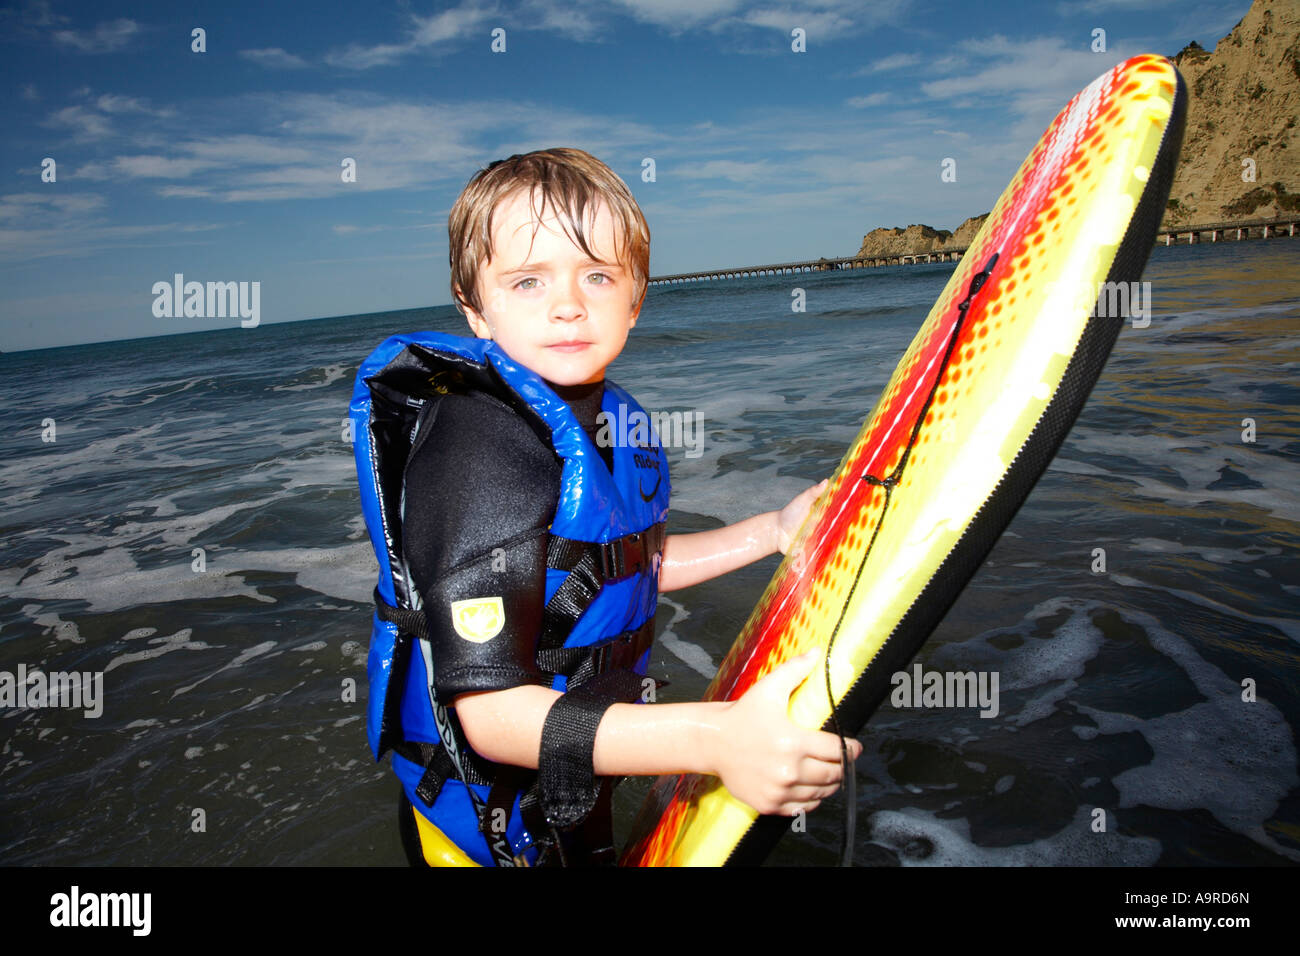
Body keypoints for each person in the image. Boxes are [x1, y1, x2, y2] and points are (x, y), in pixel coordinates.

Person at [353, 147, 861, 867]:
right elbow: (493, 718)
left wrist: (772, 532)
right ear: (475, 307)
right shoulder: (480, 447)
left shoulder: (603, 420)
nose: (568, 303)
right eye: (527, 281)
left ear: (636, 296)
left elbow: (617, 569)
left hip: (572, 757)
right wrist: (718, 739)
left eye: (597, 275)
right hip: (482, 821)